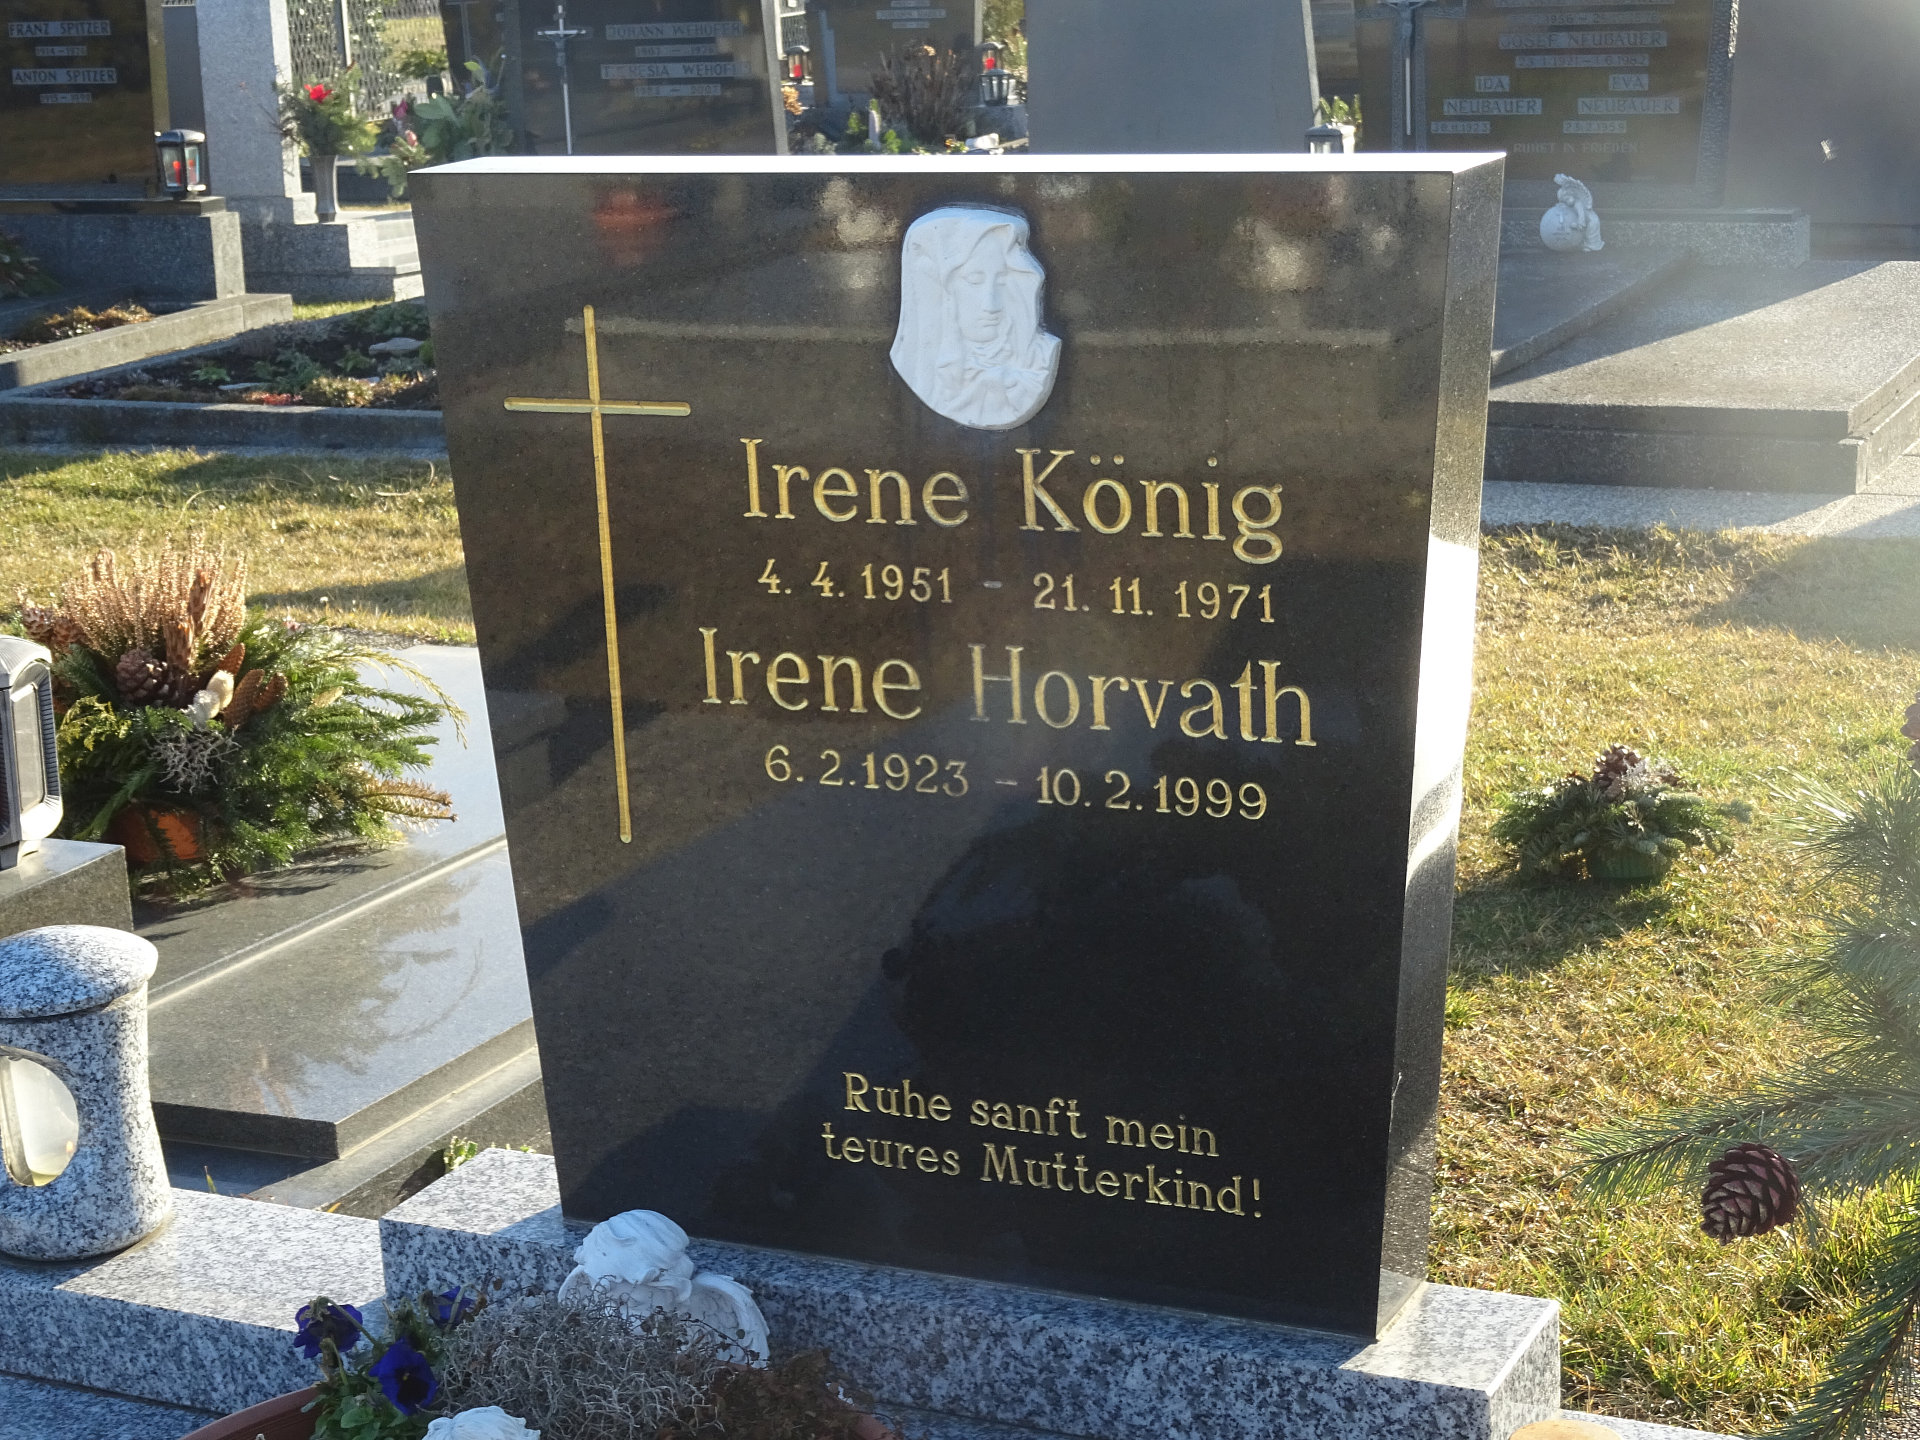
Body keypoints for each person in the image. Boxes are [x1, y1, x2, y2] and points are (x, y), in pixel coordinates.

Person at [890, 206, 1061, 430]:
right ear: (943, 288)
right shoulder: (919, 368)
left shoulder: (1037, 360)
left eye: (1001, 280)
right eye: (974, 280)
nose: (991, 305)